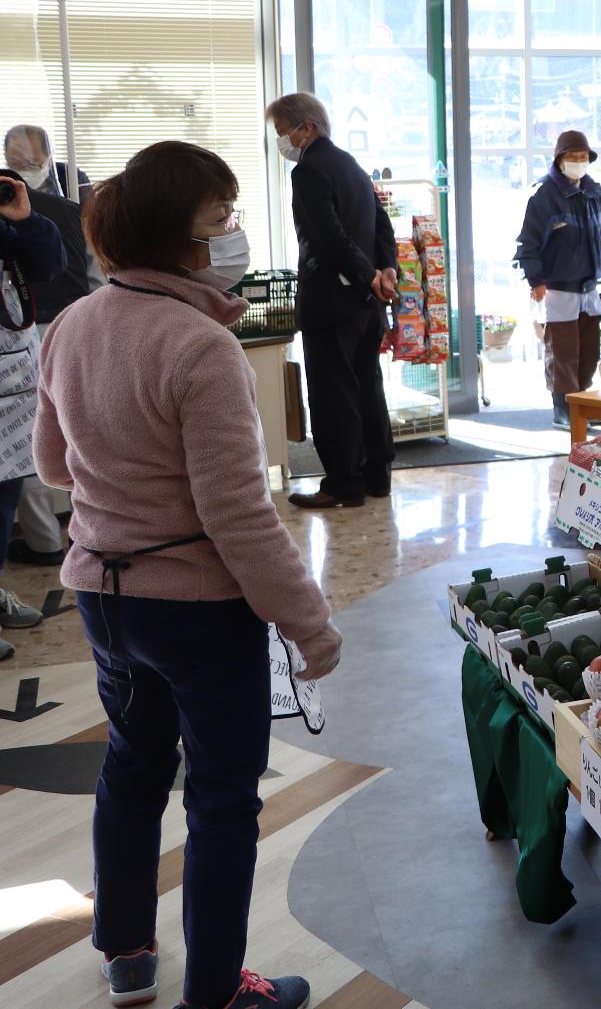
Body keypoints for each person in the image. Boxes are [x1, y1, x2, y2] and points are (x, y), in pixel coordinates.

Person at [38, 140, 339, 1009]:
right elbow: (237, 517)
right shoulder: (199, 345)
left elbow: (55, 466)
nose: (233, 233)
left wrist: (120, 470)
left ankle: (126, 952)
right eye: (221, 217)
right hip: (198, 610)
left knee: (131, 764)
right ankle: (217, 993)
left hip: (103, 593)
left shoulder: (73, 325)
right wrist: (309, 622)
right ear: (180, 235)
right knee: (220, 800)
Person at [267, 93, 397, 511]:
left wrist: (368, 275)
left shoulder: (309, 171)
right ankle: (377, 476)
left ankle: (343, 483)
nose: (282, 141)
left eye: (283, 131)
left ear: (307, 127)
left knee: (332, 392)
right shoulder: (351, 165)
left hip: (332, 299)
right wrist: (386, 271)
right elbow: (381, 224)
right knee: (367, 386)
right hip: (367, 304)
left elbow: (329, 236)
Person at [10, 177, 103, 568]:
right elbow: (97, 278)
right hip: (76, 325)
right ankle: (89, 531)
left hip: (26, 334)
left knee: (25, 441)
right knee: (81, 431)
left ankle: (45, 542)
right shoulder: (70, 209)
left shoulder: (25, 217)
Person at [0, 167, 66, 660]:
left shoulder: (9, 216)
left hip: (12, 377)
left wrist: (26, 220)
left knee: (4, 500)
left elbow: (49, 267)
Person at [516, 130, 601, 426]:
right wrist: (536, 281)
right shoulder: (543, 196)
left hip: (589, 287)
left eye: (583, 158)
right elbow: (528, 244)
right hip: (557, 288)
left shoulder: (593, 193)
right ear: (559, 160)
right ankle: (563, 408)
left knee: (589, 349)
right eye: (573, 157)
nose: (579, 162)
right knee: (563, 351)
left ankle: (581, 403)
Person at [4, 122, 91, 201]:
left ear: (49, 162)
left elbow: (86, 214)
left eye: (32, 164)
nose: (24, 170)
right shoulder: (4, 183)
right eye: (15, 163)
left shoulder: (70, 177)